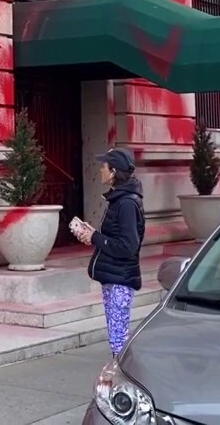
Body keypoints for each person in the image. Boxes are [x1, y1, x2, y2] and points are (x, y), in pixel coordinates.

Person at [76, 147, 146, 359]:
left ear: (114, 171)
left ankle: (123, 381)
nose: (100, 171)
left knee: (119, 338)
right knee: (116, 335)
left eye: (104, 167)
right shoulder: (119, 199)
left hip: (120, 279)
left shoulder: (126, 203)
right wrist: (92, 235)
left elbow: (128, 245)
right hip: (114, 276)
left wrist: (95, 237)